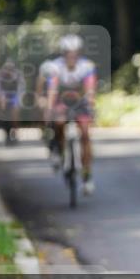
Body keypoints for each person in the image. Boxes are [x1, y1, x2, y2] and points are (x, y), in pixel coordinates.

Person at [47, 34, 97, 196]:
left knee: (85, 133)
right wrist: (49, 107)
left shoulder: (87, 66)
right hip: (62, 100)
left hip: (80, 102)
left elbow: (90, 89)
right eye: (68, 53)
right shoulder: (55, 67)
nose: (71, 57)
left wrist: (90, 104)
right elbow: (52, 90)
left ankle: (87, 176)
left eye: (75, 54)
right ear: (63, 54)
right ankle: (58, 150)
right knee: (59, 122)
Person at [0, 58, 25, 143]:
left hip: (14, 96)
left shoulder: (18, 75)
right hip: (3, 96)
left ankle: (15, 131)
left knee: (15, 112)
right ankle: (5, 130)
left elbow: (21, 89)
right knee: (1, 111)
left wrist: (18, 100)